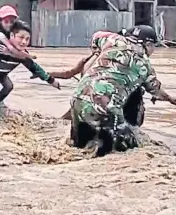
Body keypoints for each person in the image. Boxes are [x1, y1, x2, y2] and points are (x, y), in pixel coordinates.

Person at [70, 25, 176, 156]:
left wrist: (97, 52)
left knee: (77, 147)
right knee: (128, 150)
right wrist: (171, 99)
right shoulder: (144, 65)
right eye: (154, 46)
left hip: (77, 99)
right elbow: (157, 91)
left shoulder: (112, 39)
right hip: (106, 107)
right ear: (148, 44)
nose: (153, 50)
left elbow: (96, 36)